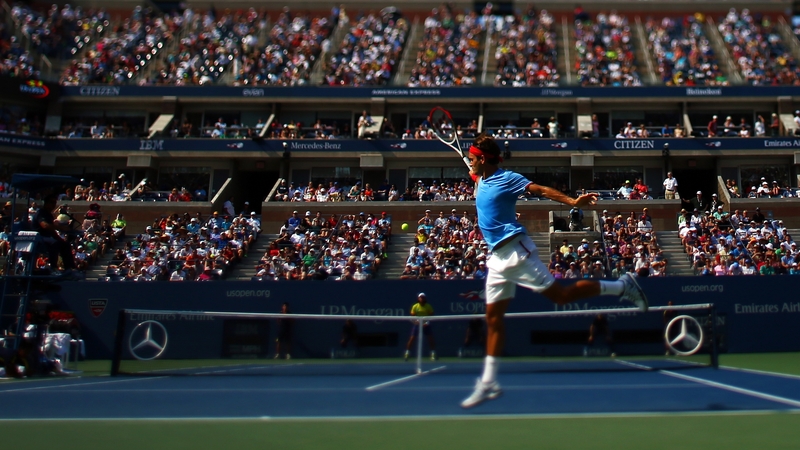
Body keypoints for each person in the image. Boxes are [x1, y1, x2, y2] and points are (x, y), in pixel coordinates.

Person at [459, 134, 648, 409]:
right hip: (496, 259)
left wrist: (572, 202)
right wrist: (476, 173)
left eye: (474, 159)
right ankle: (489, 382)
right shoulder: (482, 178)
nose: (471, 163)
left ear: (485, 159)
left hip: (516, 252)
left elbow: (540, 189)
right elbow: (479, 178)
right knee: (493, 319)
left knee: (561, 296)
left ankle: (622, 285)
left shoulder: (507, 178)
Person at [33, 195, 77, 274]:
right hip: (38, 238)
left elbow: (52, 232)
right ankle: (53, 267)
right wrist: (60, 228)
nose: (53, 205)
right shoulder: (40, 213)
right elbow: (45, 225)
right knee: (54, 243)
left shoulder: (49, 214)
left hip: (48, 237)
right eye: (52, 203)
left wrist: (60, 239)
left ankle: (69, 269)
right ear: (46, 203)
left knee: (65, 244)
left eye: (55, 203)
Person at [404, 292, 436, 361]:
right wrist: (417, 323)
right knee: (412, 338)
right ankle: (407, 353)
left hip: (426, 325)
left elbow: (431, 316)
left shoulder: (428, 306)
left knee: (430, 339)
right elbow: (412, 317)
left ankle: (433, 354)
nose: (422, 298)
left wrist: (427, 322)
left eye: (423, 297)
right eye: (420, 297)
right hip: (417, 325)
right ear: (418, 298)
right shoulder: (415, 306)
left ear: (425, 298)